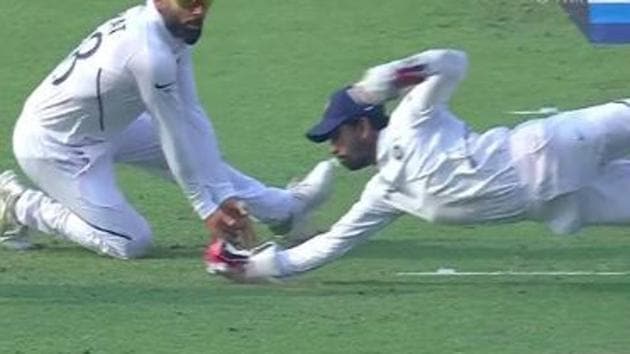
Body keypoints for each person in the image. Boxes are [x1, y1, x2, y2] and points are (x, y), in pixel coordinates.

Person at [208, 48, 630, 281]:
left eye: (336, 136)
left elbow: (453, 62)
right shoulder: (383, 196)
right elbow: (328, 245)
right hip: (564, 205)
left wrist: (385, 80)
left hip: (552, 146)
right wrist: (251, 267)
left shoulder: (412, 116)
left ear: (362, 127)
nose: (333, 149)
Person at [0, 0, 335, 259]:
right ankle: (18, 206)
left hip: (109, 127)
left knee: (200, 156)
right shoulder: (149, 52)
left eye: (205, 0)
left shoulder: (171, 31)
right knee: (129, 242)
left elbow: (191, 115)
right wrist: (206, 206)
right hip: (56, 147)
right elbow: (172, 129)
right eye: (188, 1)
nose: (199, 11)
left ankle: (284, 211)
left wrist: (223, 193)